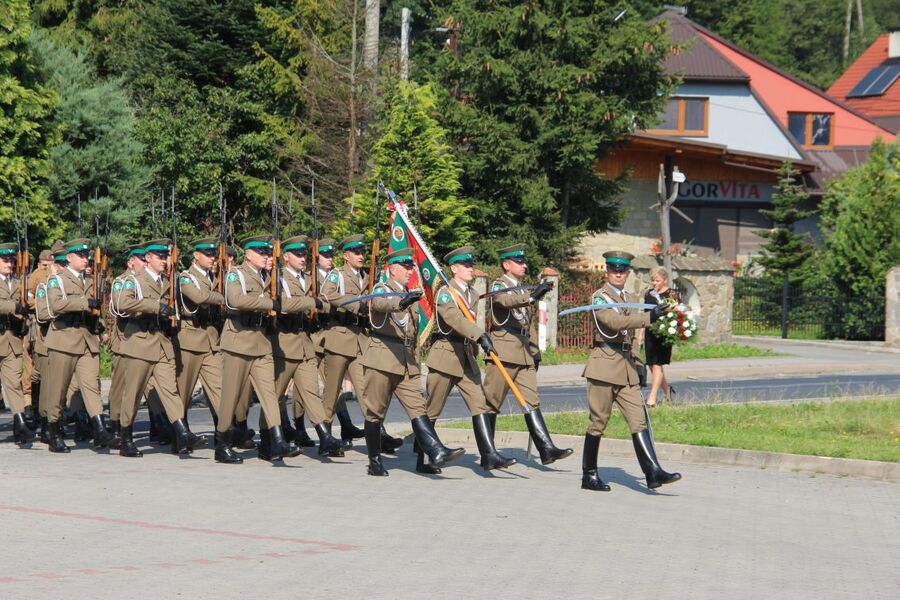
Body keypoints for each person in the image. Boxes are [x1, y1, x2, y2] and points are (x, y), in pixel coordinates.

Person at [580, 251, 681, 492]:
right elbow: (614, 323)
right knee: (598, 422)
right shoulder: (600, 297)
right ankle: (589, 475)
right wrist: (648, 317)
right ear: (606, 272)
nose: (618, 274)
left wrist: (637, 360)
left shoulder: (630, 297)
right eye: (614, 270)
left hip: (626, 367)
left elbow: (633, 335)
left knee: (639, 419)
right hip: (604, 366)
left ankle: (652, 471)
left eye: (623, 270)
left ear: (627, 273)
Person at [364, 248, 464, 476]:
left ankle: (436, 450)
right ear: (393, 269)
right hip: (382, 359)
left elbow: (411, 333)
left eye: (411, 267)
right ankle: (374, 460)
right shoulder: (382, 289)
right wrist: (401, 303)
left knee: (418, 407)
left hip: (407, 362)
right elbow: (379, 303)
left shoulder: (411, 294)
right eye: (406, 267)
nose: (410, 271)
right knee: (375, 412)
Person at [425, 246, 516, 471]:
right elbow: (455, 319)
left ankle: (489, 455)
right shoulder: (446, 292)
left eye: (471, 264)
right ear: (454, 268)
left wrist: (477, 341)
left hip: (466, 356)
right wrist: (480, 335)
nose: (470, 268)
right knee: (432, 410)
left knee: (479, 404)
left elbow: (469, 323)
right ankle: (424, 459)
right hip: (446, 355)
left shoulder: (473, 294)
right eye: (465, 265)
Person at [116, 239, 207, 457]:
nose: (164, 261)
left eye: (166, 257)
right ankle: (126, 438)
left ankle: (183, 432)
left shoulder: (166, 281)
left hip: (161, 343)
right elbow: (123, 304)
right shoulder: (133, 281)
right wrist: (155, 306)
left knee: (170, 390)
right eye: (160, 257)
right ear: (147, 258)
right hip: (139, 342)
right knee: (133, 394)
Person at [214, 235, 300, 464]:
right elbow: (236, 300)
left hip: (261, 342)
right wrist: (269, 303)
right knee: (230, 397)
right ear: (248, 254)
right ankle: (222, 444)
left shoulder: (269, 277)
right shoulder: (237, 274)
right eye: (261, 252)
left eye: (268, 252)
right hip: (238, 342)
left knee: (269, 393)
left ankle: (277, 440)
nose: (266, 256)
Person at [483, 244, 572, 465]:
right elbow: (503, 301)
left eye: (524, 261)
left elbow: (526, 324)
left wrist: (535, 351)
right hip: (503, 352)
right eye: (519, 262)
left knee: (531, 400)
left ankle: (546, 449)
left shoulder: (522, 289)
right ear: (506, 264)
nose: (524, 265)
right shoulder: (499, 285)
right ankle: (488, 454)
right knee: (491, 403)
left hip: (523, 353)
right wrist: (532, 297)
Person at [269, 235, 343, 459]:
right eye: (297, 255)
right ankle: (269, 438)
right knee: (274, 396)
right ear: (286, 257)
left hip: (304, 343)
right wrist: (312, 302)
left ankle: (325, 437)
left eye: (304, 254)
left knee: (311, 392)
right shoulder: (277, 279)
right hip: (283, 344)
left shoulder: (311, 279)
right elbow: (283, 304)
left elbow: (325, 301)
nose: (302, 258)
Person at [319, 235, 392, 450]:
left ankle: (379, 436)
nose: (361, 256)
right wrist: (355, 304)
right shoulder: (337, 275)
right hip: (339, 339)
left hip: (360, 340)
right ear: (346, 256)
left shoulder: (368, 277)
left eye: (363, 252)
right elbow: (327, 294)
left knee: (366, 391)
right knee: (332, 393)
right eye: (356, 253)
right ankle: (327, 439)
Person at [43, 239, 115, 452]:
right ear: (69, 258)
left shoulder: (91, 280)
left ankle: (100, 430)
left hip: (86, 339)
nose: (86, 259)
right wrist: (84, 303)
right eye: (81, 256)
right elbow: (56, 305)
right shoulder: (57, 279)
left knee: (92, 386)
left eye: (87, 256)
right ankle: (54, 432)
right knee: (58, 389)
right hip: (64, 339)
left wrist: (99, 326)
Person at [175, 238, 226, 426]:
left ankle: (224, 432)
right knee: (184, 391)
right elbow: (199, 296)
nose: (213, 258)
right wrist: (224, 297)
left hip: (211, 340)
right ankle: (181, 432)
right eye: (208, 254)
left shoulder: (215, 277)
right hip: (190, 339)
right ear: (196, 256)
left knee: (219, 388)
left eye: (214, 255)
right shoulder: (186, 277)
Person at [0, 242, 36, 444]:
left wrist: (24, 322)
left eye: (11, 261)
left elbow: (26, 306)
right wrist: (14, 307)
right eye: (5, 260)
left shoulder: (17, 282)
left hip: (12, 340)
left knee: (14, 384)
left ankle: (20, 424)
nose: (9, 264)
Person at [637, 267, 677, 407]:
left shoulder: (671, 293)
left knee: (657, 364)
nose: (654, 283)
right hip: (650, 332)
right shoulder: (649, 294)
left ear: (665, 280)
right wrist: (641, 333)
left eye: (657, 280)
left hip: (664, 333)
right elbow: (646, 314)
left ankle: (652, 398)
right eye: (653, 280)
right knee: (651, 365)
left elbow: (676, 312)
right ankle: (667, 392)